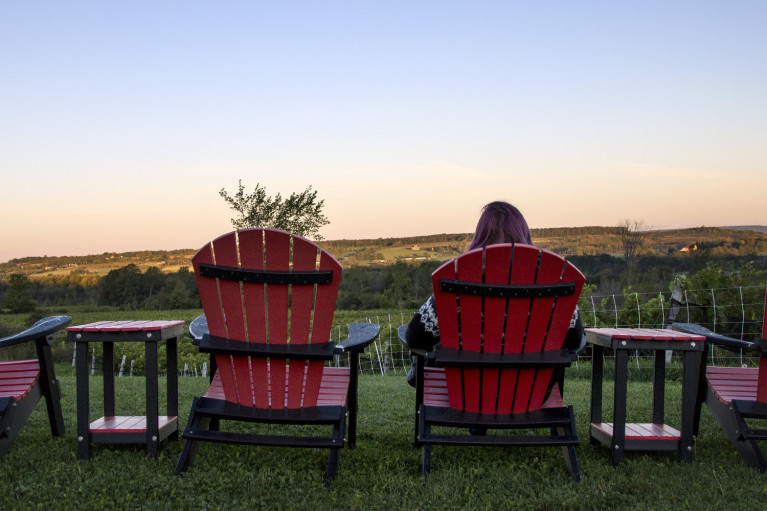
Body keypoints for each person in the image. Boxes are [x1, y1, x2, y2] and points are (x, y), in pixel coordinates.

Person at [404, 201, 583, 387]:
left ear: (480, 238)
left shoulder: (457, 284)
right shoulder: (552, 285)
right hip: (531, 393)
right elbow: (574, 339)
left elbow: (415, 336)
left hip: (465, 392)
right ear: (524, 235)